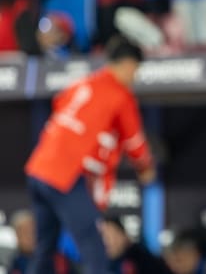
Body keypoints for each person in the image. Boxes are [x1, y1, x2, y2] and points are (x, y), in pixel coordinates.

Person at [24, 36, 156, 274]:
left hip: (38, 168)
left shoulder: (82, 84)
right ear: (128, 64)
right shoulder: (120, 95)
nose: (134, 77)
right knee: (95, 249)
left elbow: (59, 104)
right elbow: (135, 142)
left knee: (44, 248)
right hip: (65, 174)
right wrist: (146, 169)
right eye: (135, 70)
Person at [99, 215, 170, 274]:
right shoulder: (99, 263)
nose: (105, 241)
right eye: (101, 236)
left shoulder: (144, 260)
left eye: (110, 236)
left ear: (123, 236)